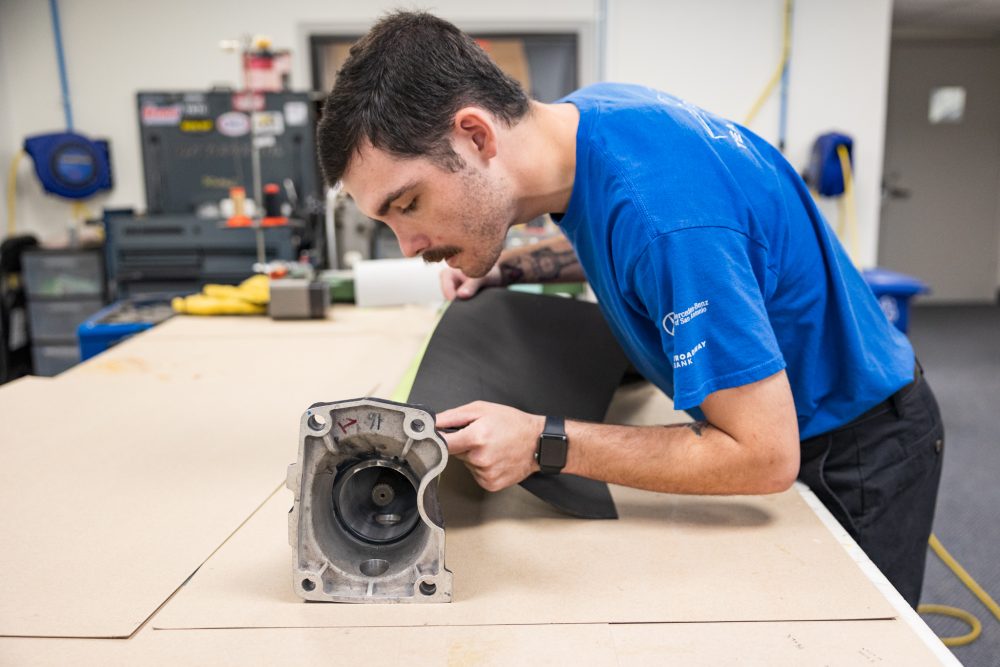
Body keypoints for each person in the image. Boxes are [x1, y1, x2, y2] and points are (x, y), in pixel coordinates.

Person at [316, 11, 944, 607]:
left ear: (476, 135)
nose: (409, 246)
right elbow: (616, 226)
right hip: (821, 420)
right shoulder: (593, 121)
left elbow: (764, 454)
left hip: (853, 452)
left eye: (408, 204)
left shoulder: (671, 221)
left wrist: (540, 443)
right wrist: (516, 266)